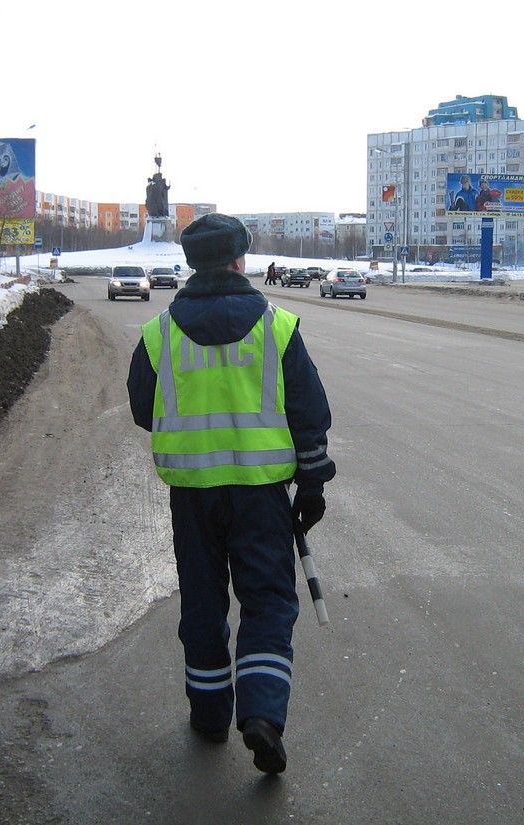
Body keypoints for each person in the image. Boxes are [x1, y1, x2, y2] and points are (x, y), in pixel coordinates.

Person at [127, 213, 335, 775]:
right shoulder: (278, 327)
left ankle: (210, 716)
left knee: (202, 601)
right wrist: (312, 483)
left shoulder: (158, 333)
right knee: (267, 601)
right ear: (240, 260)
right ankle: (263, 713)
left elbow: (144, 411)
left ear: (193, 262)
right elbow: (309, 415)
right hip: (262, 495)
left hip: (192, 495)